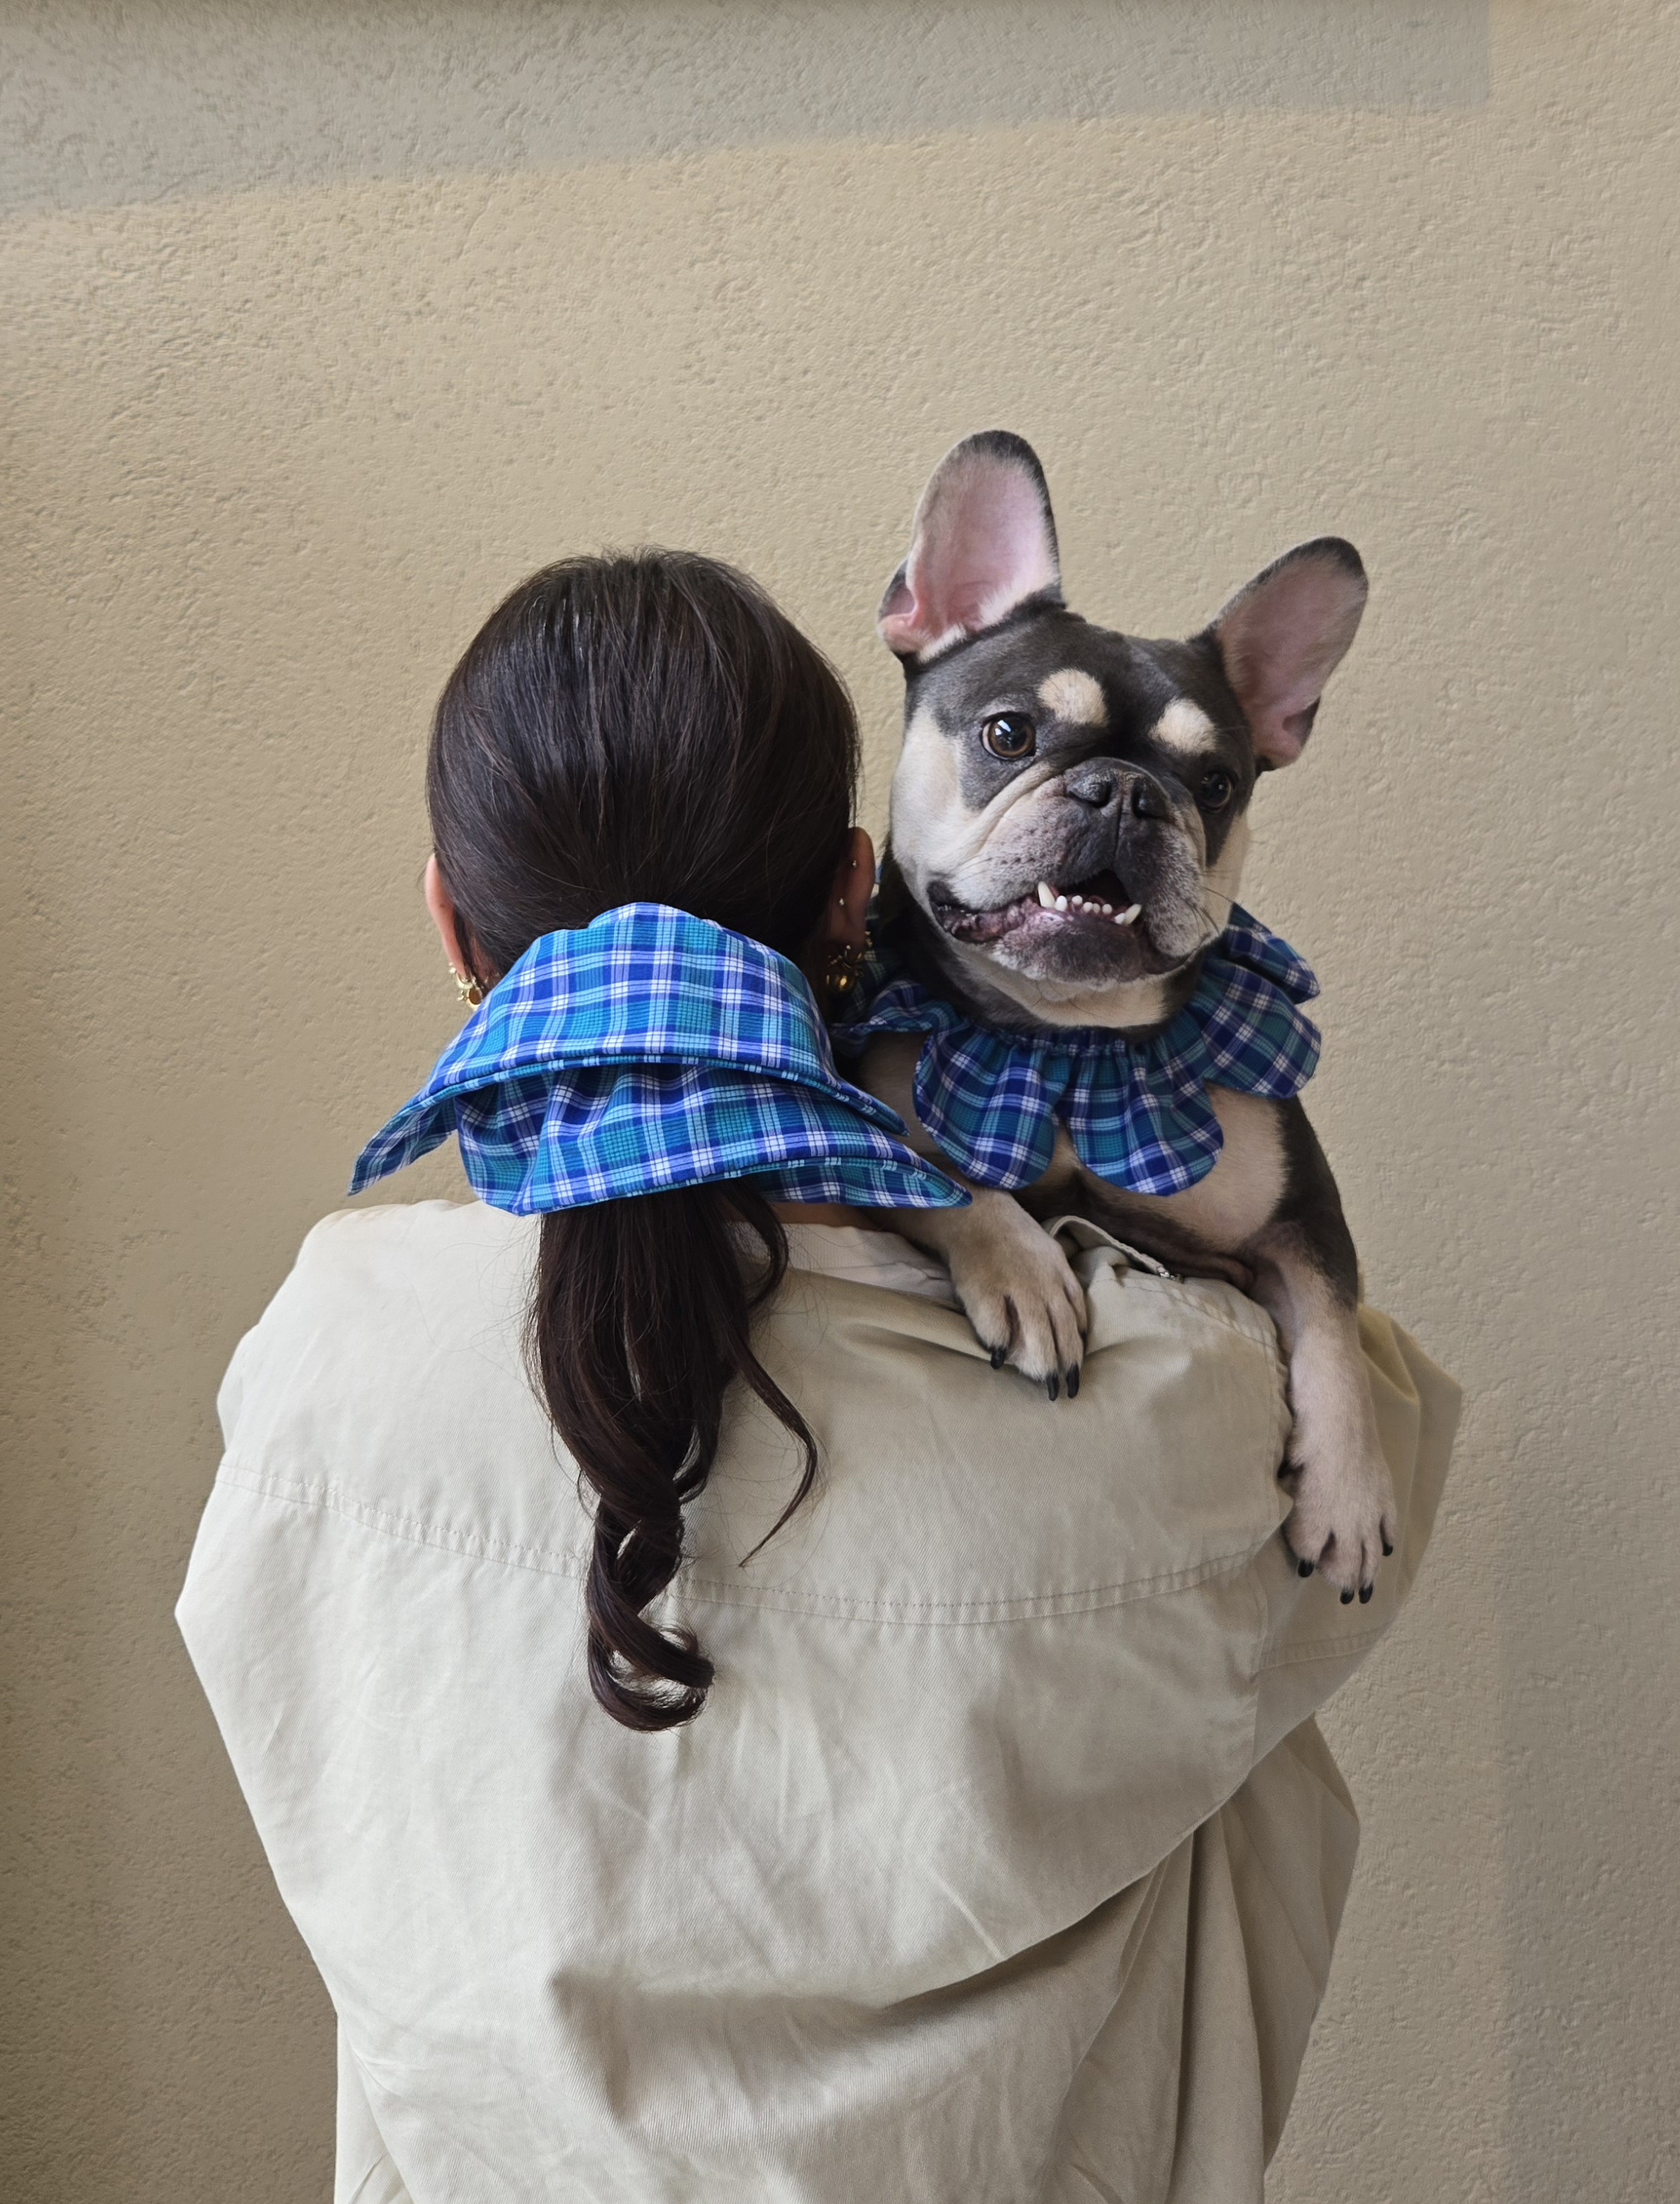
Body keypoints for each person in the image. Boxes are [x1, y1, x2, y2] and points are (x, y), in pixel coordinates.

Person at [178, 549, 1457, 2204]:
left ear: (447, 916)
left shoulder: (317, 1364)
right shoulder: (1184, 1401)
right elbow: (1370, 1477)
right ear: (862, 893)